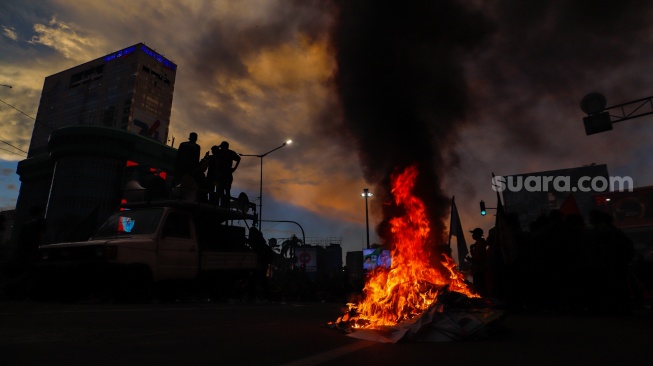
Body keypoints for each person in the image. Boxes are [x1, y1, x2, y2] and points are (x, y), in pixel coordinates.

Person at [214, 141, 241, 208]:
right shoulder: (220, 152)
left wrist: (234, 168)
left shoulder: (230, 153)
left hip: (226, 174)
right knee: (220, 190)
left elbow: (238, 159)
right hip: (221, 174)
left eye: (222, 146)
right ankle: (222, 205)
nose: (221, 148)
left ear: (225, 146)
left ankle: (226, 205)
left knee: (226, 190)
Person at [465, 227, 488, 296]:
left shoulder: (480, 244)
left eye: (474, 234)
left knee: (480, 288)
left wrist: (471, 259)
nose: (473, 235)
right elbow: (475, 256)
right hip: (477, 270)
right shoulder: (477, 244)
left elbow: (479, 258)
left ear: (478, 235)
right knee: (477, 287)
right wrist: (471, 249)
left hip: (479, 270)